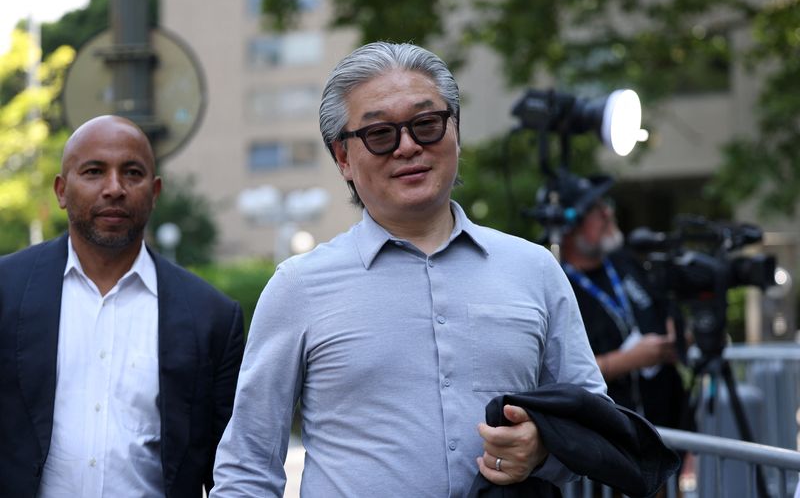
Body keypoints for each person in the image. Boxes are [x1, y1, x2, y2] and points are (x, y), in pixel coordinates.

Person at [211, 41, 608, 496]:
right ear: (343, 158)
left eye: (426, 124)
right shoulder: (298, 287)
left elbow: (594, 417)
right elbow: (247, 464)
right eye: (380, 134)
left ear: (454, 129)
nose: (407, 146)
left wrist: (544, 445)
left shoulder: (534, 268)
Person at [0, 115, 245, 497]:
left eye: (132, 173)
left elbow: (232, 471)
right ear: (62, 190)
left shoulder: (211, 317)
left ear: (155, 191)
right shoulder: (6, 290)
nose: (114, 188)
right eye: (94, 171)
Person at [557, 173, 688, 429]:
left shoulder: (624, 263)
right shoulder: (558, 284)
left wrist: (677, 336)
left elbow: (667, 313)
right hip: (610, 438)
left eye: (606, 204)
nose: (608, 213)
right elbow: (562, 374)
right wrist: (630, 360)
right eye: (596, 209)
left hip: (669, 428)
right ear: (570, 226)